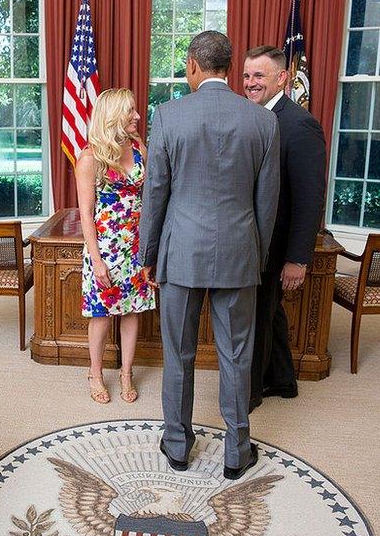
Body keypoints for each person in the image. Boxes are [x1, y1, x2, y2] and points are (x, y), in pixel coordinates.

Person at [139, 31, 280, 480]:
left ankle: (177, 446)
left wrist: (148, 253)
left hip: (180, 253)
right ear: (227, 67)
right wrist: (254, 255)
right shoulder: (261, 120)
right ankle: (237, 452)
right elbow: (267, 202)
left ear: (195, 66)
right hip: (239, 254)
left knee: (177, 351)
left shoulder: (168, 116)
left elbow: (155, 192)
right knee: (236, 355)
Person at [242, 46, 326, 411]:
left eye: (259, 76)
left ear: (282, 78)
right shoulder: (249, 117)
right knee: (269, 311)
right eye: (246, 76)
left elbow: (310, 199)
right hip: (252, 237)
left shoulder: (299, 124)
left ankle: (251, 392)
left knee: (257, 315)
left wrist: (297, 258)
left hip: (277, 244)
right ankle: (282, 380)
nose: (250, 83)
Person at [76, 87, 157, 405]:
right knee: (101, 315)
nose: (138, 116)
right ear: (113, 116)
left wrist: (151, 249)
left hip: (135, 248)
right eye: (131, 111)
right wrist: (96, 261)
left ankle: (126, 373)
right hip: (105, 250)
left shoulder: (139, 149)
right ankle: (95, 374)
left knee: (132, 312)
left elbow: (149, 200)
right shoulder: (90, 157)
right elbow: (85, 215)